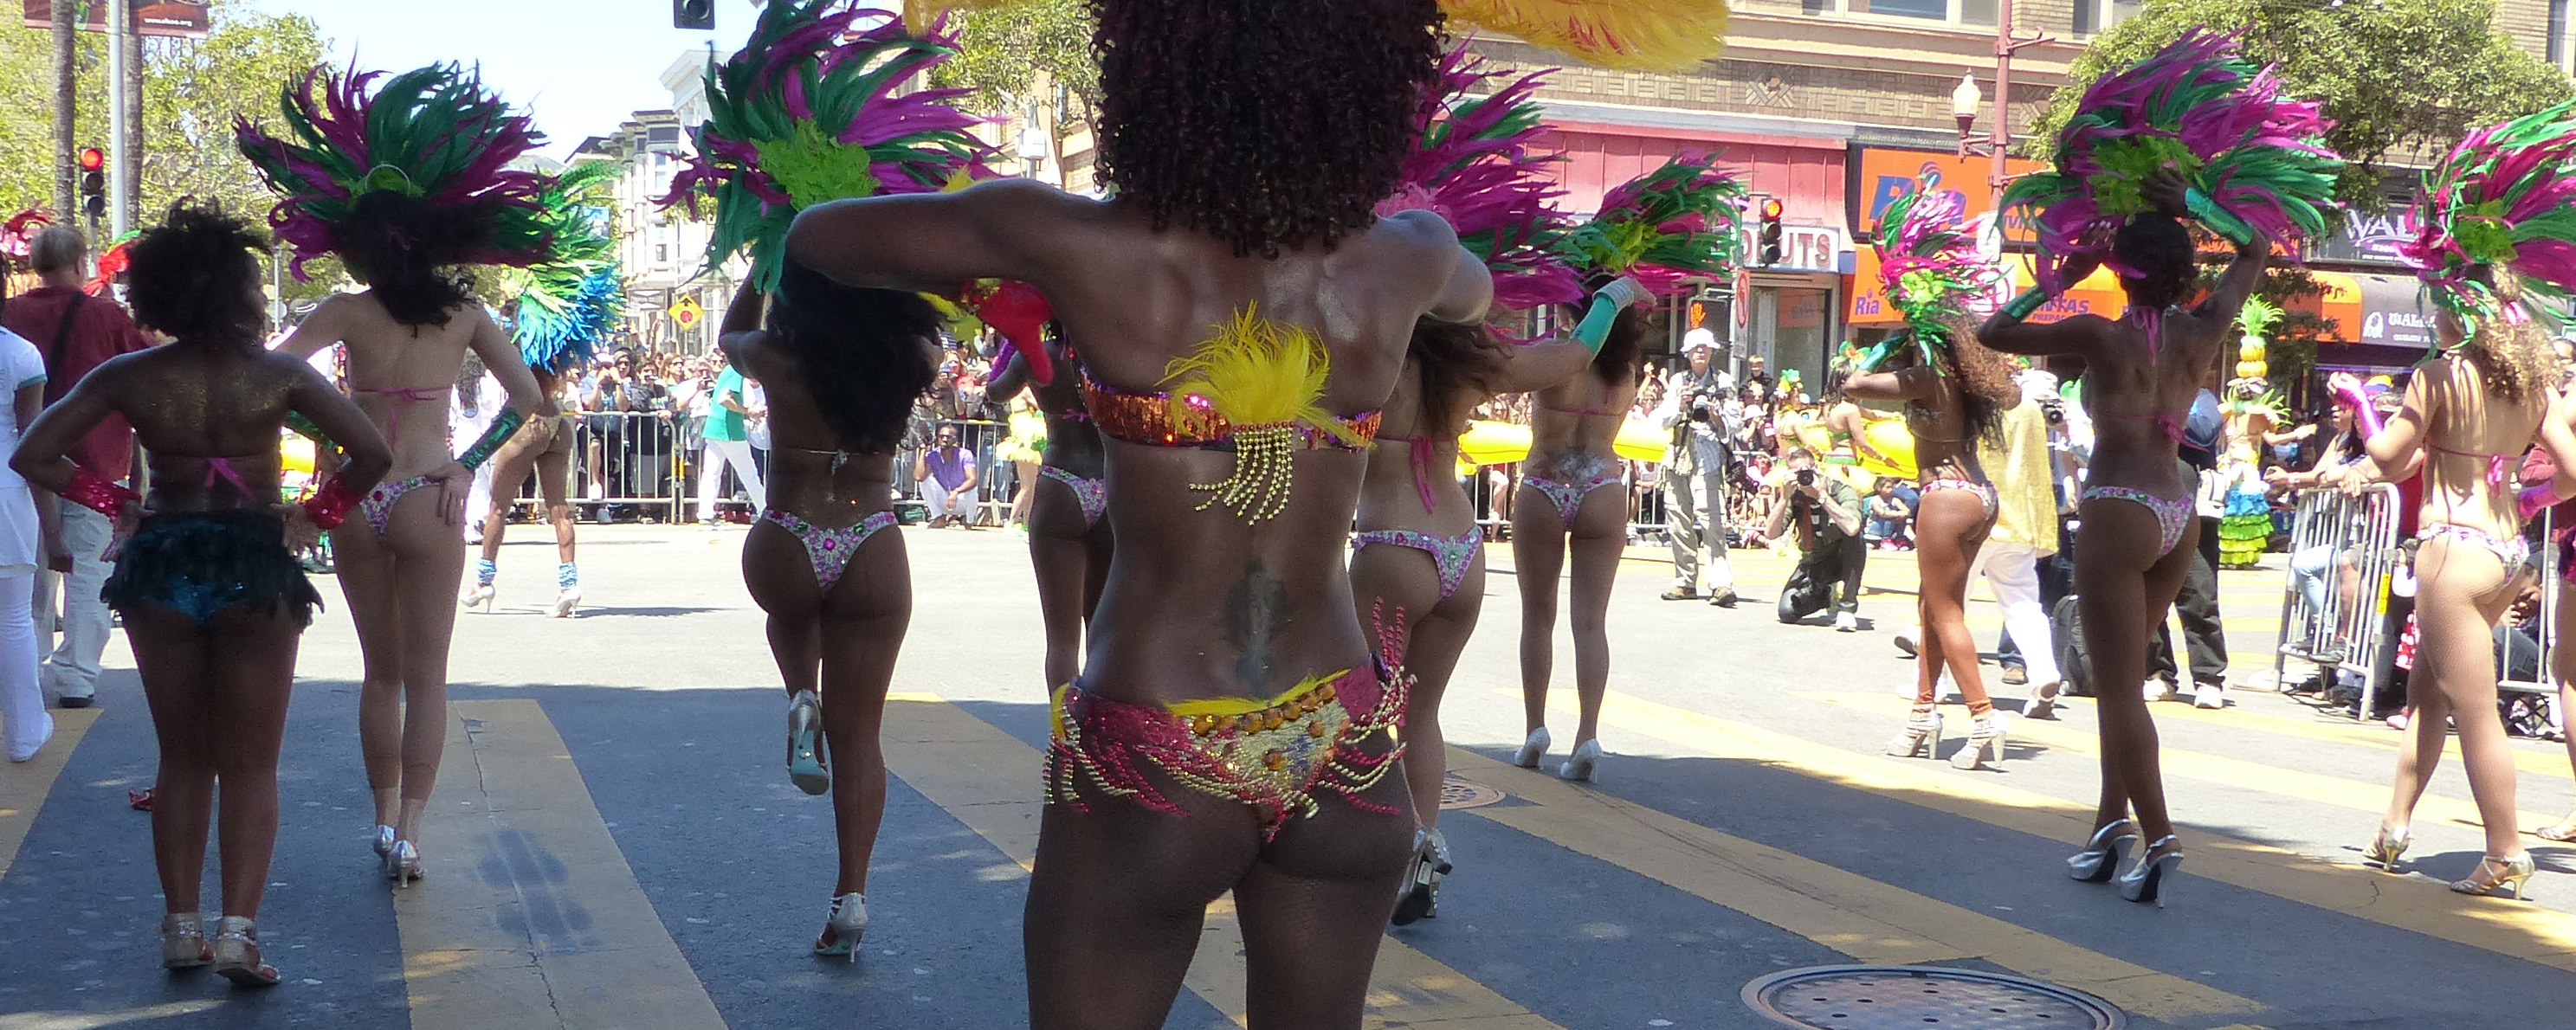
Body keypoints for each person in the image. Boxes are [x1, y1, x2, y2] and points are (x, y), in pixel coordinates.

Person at [770, 0, 1653, 1016]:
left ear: (1150, 68)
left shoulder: (1071, 237)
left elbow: (821, 237)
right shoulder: (1402, 253)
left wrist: (997, 273)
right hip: (1345, 738)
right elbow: (1470, 288)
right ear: (1365, 87)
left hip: (1154, 740)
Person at [11, 203, 391, 985]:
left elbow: (35, 452)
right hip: (255, 564)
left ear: (159, 294)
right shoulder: (280, 375)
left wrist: (118, 503)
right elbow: (372, 452)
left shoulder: (130, 375)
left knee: (183, 758)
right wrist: (312, 516)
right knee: (252, 765)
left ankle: (181, 928)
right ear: (241, 293)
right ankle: (240, 934)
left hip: (160, 566)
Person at [249, 63, 557, 885]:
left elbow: (271, 380)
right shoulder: (465, 314)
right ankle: (412, 832)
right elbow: (531, 403)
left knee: (379, 673)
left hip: (358, 495)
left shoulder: (346, 312)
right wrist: (467, 462)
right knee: (428, 677)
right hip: (430, 494)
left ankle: (381, 819)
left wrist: (326, 429)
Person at [1352, 48, 1604, 922]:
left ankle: (1370, 857)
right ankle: (1421, 845)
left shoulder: (1361, 355)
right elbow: (1572, 353)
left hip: (1388, 551)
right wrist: (1612, 299)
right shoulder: (1471, 363)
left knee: (1364, 719)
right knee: (1418, 715)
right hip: (1460, 555)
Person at [1982, 175, 2267, 904]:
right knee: (2123, 686)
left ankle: (2161, 834)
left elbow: (1992, 335)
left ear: (2119, 267)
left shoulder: (2096, 333)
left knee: (2116, 694)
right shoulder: (2204, 327)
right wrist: (2194, 202)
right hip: (2177, 510)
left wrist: (2057, 279)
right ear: (2182, 271)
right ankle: (2110, 822)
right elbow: (2254, 247)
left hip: (2118, 504)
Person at [1515, 157, 1741, 782]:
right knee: (1592, 621)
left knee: (1539, 615)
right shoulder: (1628, 371)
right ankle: (1587, 736)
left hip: (1542, 483)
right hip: (1602, 486)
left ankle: (1535, 729)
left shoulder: (1556, 357)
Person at [1848, 173, 2024, 770]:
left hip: (1943, 497)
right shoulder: (1960, 369)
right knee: (1930, 607)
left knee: (1944, 612)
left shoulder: (1924, 373)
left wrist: (1882, 347)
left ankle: (1982, 716)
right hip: (1976, 492)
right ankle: (1921, 716)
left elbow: (1850, 385)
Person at [2, 226, 152, 711]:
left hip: (21, 466)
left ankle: (28, 664)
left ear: (33, 266)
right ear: (81, 261)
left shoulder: (11, 315)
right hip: (94, 464)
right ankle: (76, 676)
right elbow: (147, 369)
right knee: (89, 570)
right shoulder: (106, 315)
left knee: (32, 572)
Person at [989, 332, 1111, 688]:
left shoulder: (1036, 353)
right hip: (1107, 481)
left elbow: (996, 392)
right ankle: (1099, 734)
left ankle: (1066, 736)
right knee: (1103, 632)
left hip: (1061, 480)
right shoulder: (1110, 351)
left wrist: (1015, 339)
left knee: (1061, 642)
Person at [1982, 370, 2067, 715]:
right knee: (2025, 605)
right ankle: (2044, 673)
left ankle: (1929, 682)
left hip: (1981, 513)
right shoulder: (2034, 414)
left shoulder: (1985, 406)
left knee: (1946, 602)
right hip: (2021, 518)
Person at [0, 322, 55, 763]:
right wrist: (53, 531)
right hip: (7, 496)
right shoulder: (21, 353)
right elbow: (32, 439)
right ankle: (24, 735)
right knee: (13, 617)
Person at [1655, 330, 1738, 605]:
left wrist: (1716, 415)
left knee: (1712, 521)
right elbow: (1662, 420)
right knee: (1678, 521)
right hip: (1678, 456)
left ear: (1713, 351)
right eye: (1695, 348)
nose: (1700, 352)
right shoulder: (1678, 381)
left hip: (1709, 458)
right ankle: (1684, 582)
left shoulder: (1724, 381)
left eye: (1705, 348)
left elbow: (1736, 422)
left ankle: (1720, 584)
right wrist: (1680, 405)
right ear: (1687, 354)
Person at [1766, 447, 1867, 629]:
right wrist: (1783, 498)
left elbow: (1852, 527)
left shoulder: (1839, 489)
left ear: (1816, 468)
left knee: (1857, 538)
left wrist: (1822, 496)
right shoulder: (1794, 495)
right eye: (1796, 473)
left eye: (1806, 471)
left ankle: (1847, 607)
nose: (1803, 478)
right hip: (1815, 560)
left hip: (1841, 555)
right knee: (1787, 612)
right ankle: (1825, 594)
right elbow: (1771, 534)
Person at [698, 349, 767, 525]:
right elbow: (724, 399)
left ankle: (705, 513)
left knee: (711, 472)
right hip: (729, 428)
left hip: (714, 425)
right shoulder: (738, 371)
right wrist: (748, 411)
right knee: (749, 473)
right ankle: (765, 509)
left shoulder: (728, 370)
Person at [914, 424, 978, 528]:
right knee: (925, 481)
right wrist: (923, 451)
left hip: (960, 499)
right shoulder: (932, 455)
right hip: (944, 499)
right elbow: (919, 477)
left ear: (955, 440)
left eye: (948, 437)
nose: (944, 439)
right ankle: (938, 518)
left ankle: (969, 521)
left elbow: (973, 479)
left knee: (972, 489)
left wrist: (956, 491)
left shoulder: (965, 454)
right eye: (941, 436)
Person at [1865, 478, 1911, 548]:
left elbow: (1906, 510)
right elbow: (1882, 513)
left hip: (1890, 527)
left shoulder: (1894, 500)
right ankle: (1885, 540)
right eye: (1887, 487)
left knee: (1902, 518)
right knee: (1889, 518)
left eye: (1891, 487)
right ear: (1879, 488)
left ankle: (1899, 539)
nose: (1890, 490)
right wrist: (1897, 513)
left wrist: (1903, 514)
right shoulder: (1875, 500)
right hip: (1876, 526)